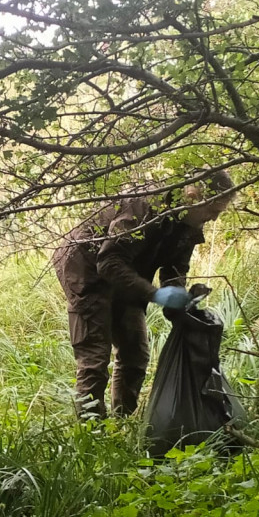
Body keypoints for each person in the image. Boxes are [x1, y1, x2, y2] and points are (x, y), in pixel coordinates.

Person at [52, 170, 236, 418]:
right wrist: (154, 294)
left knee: (135, 354)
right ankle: (91, 434)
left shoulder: (191, 222)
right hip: (85, 266)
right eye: (213, 211)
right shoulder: (146, 207)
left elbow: (175, 267)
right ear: (192, 196)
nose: (213, 219)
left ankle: (121, 422)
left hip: (129, 271)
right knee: (95, 357)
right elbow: (108, 263)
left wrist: (179, 299)